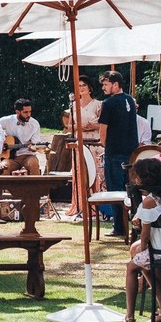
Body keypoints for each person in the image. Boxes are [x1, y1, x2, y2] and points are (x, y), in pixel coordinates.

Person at [124, 158, 161, 322]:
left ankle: (130, 316)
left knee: (132, 266)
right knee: (143, 263)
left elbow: (145, 234)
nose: (135, 179)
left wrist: (142, 248)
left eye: (137, 176)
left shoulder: (150, 201)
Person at [99, 69, 139, 238]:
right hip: (132, 152)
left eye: (106, 84)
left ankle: (119, 227)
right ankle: (136, 224)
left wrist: (104, 144)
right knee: (131, 190)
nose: (103, 88)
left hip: (114, 152)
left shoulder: (108, 103)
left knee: (115, 190)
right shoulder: (130, 100)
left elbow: (103, 130)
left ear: (115, 85)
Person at [64, 73, 103, 218]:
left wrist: (92, 126)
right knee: (80, 171)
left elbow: (102, 124)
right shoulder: (74, 105)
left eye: (84, 85)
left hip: (93, 141)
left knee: (93, 171)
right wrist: (81, 127)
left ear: (90, 88)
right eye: (79, 86)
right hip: (79, 140)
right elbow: (69, 126)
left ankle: (96, 204)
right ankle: (80, 204)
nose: (81, 88)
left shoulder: (98, 104)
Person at [0, 98, 42, 176]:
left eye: (30, 112)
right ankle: (3, 184)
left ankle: (36, 184)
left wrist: (33, 147)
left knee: (34, 163)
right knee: (4, 166)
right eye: (25, 112)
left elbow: (36, 144)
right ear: (17, 112)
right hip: (11, 158)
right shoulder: (7, 120)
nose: (29, 115)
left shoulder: (34, 124)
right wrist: (1, 140)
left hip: (28, 156)